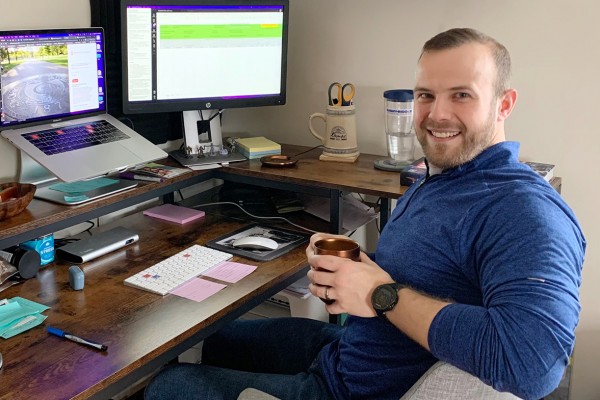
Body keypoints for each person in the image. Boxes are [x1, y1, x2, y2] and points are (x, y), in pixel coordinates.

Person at [144, 28, 586, 400]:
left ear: (504, 104)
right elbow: (433, 274)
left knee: (170, 384)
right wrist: (358, 272)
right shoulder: (450, 175)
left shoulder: (524, 212)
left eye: (462, 95)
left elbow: (534, 364)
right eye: (425, 95)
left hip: (353, 390)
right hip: (349, 350)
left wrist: (381, 294)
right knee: (217, 338)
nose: (437, 114)